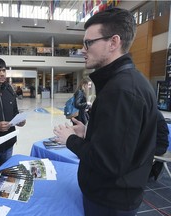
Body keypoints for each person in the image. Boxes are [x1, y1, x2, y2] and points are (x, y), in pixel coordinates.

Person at [53, 8, 157, 216]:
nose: (82, 49)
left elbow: (108, 163)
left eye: (88, 43)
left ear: (113, 42)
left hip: (109, 201)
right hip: (117, 194)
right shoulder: (128, 83)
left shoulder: (122, 91)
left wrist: (71, 140)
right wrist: (90, 133)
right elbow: (126, 144)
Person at [149, 110, 169, 180]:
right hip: (156, 144)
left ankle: (155, 169)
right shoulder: (152, 112)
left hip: (160, 146)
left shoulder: (154, 114)